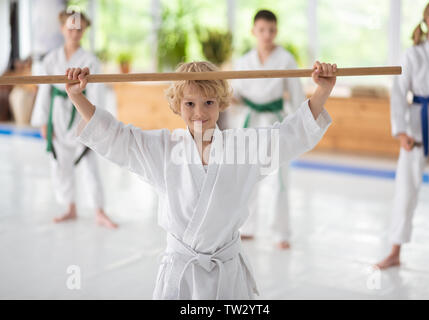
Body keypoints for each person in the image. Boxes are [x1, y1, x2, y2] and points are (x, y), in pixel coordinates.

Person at [64, 60, 336, 299]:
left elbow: (288, 135)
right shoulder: (163, 149)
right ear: (177, 105)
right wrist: (77, 96)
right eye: (189, 104)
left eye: (208, 102)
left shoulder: (243, 148)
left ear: (221, 103)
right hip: (180, 275)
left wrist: (322, 90)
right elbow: (117, 137)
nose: (199, 113)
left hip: (226, 275)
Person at [376, 0, 429, 270]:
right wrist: (402, 131)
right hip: (416, 127)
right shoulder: (412, 54)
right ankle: (395, 250)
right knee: (406, 189)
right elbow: (398, 94)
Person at [31, 9, 117, 228]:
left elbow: (96, 93)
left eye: (79, 29)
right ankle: (69, 206)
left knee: (89, 163)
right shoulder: (51, 59)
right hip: (57, 115)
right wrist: (43, 121)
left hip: (81, 113)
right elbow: (44, 91)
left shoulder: (90, 61)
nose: (74, 32)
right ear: (62, 29)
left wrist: (95, 121)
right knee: (59, 163)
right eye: (71, 28)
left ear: (84, 31)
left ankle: (99, 210)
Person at [231, 10, 306, 249]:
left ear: (276, 31)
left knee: (281, 178)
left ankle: (281, 232)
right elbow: (236, 96)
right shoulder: (243, 61)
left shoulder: (286, 59)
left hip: (276, 121)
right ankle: (247, 226)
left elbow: (296, 97)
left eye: (271, 30)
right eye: (262, 30)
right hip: (250, 120)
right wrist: (225, 97)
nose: (267, 35)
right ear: (253, 31)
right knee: (247, 175)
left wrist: (300, 128)